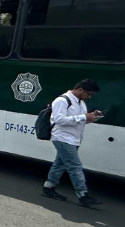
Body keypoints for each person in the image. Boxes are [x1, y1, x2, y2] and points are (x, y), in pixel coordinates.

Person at [42, 79, 104, 207]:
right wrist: (84, 117)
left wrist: (91, 117)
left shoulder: (81, 103)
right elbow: (59, 119)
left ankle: (48, 187)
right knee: (75, 167)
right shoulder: (62, 100)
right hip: (62, 138)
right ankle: (83, 195)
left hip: (73, 139)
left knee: (59, 164)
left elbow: (79, 120)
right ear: (80, 89)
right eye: (89, 94)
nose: (90, 97)